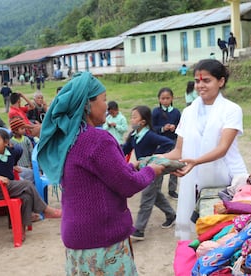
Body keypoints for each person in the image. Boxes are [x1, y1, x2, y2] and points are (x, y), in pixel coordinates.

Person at [37, 72, 165, 275]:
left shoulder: (70, 139)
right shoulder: (97, 139)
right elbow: (127, 185)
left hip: (78, 239)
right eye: (103, 99)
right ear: (87, 104)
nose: (107, 105)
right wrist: (152, 170)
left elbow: (104, 176)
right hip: (101, 241)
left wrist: (134, 167)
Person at [161, 59, 248, 240]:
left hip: (227, 179)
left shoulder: (231, 110)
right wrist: (155, 159)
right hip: (195, 180)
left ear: (221, 81)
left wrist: (196, 161)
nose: (200, 85)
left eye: (206, 80)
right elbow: (179, 151)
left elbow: (223, 148)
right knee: (198, 236)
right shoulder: (188, 112)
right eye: (198, 81)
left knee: (224, 236)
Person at [0, 128, 61, 240]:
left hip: (10, 186)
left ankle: (21, 230)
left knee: (26, 197)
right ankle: (46, 210)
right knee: (27, 184)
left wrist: (13, 164)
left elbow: (19, 150)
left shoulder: (12, 151)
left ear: (6, 142)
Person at [122, 105, 176, 241]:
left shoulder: (150, 136)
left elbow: (169, 143)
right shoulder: (134, 136)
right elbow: (124, 150)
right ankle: (171, 215)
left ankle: (139, 230)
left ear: (143, 122)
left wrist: (155, 157)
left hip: (154, 170)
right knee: (154, 195)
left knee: (147, 197)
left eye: (134, 117)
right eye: (131, 117)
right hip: (142, 170)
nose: (131, 120)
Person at [152, 88, 181, 199]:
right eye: (163, 98)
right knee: (160, 165)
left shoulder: (176, 112)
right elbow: (152, 127)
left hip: (173, 142)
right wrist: (163, 129)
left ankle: (172, 190)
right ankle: (157, 190)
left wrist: (175, 128)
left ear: (172, 98)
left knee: (175, 165)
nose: (165, 100)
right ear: (159, 99)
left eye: (167, 98)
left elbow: (181, 127)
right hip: (160, 143)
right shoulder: (156, 112)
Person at [9, 117, 34, 183]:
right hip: (18, 167)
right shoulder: (11, 142)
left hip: (28, 165)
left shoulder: (26, 139)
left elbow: (31, 151)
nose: (24, 130)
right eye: (22, 128)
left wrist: (31, 163)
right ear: (15, 131)